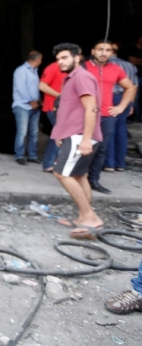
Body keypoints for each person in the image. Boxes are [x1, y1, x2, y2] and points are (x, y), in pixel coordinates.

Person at [49, 43, 104, 238]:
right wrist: (60, 134)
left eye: (64, 58)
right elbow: (71, 110)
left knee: (61, 173)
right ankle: (83, 217)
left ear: (77, 57)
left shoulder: (81, 77)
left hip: (80, 135)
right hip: (73, 135)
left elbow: (92, 108)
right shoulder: (72, 78)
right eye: (58, 59)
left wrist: (86, 139)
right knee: (80, 175)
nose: (60, 62)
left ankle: (90, 217)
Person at [84, 40, 136, 194]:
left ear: (112, 53)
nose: (104, 53)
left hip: (107, 115)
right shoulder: (83, 67)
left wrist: (121, 107)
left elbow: (131, 87)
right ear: (93, 51)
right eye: (100, 49)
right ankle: (75, 179)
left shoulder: (116, 68)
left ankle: (93, 180)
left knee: (101, 149)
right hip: (85, 114)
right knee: (80, 147)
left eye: (108, 50)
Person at [107, 44, 138, 171]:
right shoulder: (130, 65)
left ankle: (109, 164)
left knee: (108, 129)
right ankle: (120, 163)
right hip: (124, 97)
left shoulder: (104, 65)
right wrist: (130, 103)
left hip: (109, 97)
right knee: (121, 130)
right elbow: (134, 86)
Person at [12, 51, 43, 165]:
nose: (41, 62)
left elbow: (34, 88)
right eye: (40, 59)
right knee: (22, 132)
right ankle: (19, 155)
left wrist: (38, 101)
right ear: (36, 60)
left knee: (34, 132)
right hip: (23, 106)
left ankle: (32, 155)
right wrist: (31, 101)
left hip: (35, 106)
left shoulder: (34, 71)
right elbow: (21, 88)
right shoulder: (21, 71)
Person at [39, 60, 67, 172]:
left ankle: (49, 163)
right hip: (54, 107)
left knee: (56, 135)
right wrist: (61, 96)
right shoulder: (53, 67)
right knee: (62, 134)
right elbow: (42, 86)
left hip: (66, 108)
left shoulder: (74, 69)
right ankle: (55, 163)